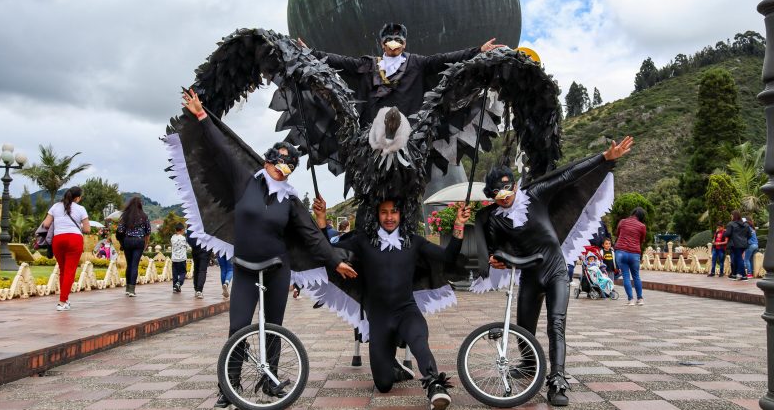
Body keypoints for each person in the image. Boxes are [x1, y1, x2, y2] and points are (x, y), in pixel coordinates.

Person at [182, 89, 356, 408]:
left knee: (273, 328)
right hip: (246, 269)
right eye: (278, 163)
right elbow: (222, 150)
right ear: (267, 160)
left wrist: (334, 262)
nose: (282, 169)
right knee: (238, 327)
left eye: (288, 166)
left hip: (277, 269)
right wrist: (201, 115)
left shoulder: (289, 199)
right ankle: (228, 386)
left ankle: (271, 381)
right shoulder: (245, 181)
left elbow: (312, 237)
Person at [479, 136, 633, 406]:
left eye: (506, 192)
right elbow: (494, 249)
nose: (503, 199)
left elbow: (568, 175)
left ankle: (558, 379)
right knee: (524, 327)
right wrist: (496, 260)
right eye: (496, 196)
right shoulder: (494, 220)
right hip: (529, 274)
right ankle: (528, 364)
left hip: (555, 271)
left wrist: (603, 158)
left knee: (556, 325)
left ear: (514, 186)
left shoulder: (534, 196)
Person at [314, 196, 470, 410]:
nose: (389, 217)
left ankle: (435, 385)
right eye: (384, 212)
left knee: (419, 343)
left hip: (407, 312)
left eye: (394, 211)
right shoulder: (363, 241)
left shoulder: (413, 241)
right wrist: (321, 219)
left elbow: (448, 257)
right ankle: (397, 369)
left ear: (401, 214)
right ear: (377, 215)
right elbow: (329, 252)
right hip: (379, 319)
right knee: (383, 384)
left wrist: (459, 225)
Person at [298, 23, 504, 126]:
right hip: (373, 131)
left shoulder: (417, 63)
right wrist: (311, 54)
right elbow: (339, 61)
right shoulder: (368, 65)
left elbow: (444, 58)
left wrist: (478, 50)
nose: (394, 43)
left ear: (404, 43)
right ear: (382, 43)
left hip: (410, 131)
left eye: (398, 40)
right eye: (389, 40)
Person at [42, 186, 90, 311]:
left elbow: (46, 224)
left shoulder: (55, 206)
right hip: (74, 240)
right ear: (77, 198)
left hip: (58, 240)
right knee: (70, 271)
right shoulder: (81, 209)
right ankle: (62, 301)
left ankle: (65, 299)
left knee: (63, 270)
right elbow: (87, 229)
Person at [116, 196, 151, 297]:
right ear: (140, 204)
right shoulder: (144, 216)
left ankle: (127, 288)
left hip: (128, 241)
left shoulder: (125, 215)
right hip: (139, 241)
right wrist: (146, 243)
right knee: (135, 265)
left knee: (129, 264)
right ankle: (132, 289)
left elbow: (120, 230)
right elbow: (148, 232)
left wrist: (122, 240)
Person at [615, 207, 647, 306]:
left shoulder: (622, 221)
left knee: (626, 276)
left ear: (632, 213)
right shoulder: (642, 226)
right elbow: (642, 240)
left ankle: (631, 300)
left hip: (621, 252)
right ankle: (640, 299)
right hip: (634, 253)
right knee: (636, 276)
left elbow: (618, 234)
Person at [725, 210, 751, 281]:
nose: (730, 216)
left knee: (739, 259)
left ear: (733, 216)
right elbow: (749, 235)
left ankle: (744, 276)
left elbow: (727, 234)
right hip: (743, 244)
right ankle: (734, 274)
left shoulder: (731, 224)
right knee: (736, 259)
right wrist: (744, 239)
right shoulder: (746, 224)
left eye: (731, 215)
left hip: (735, 244)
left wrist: (725, 232)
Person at [185, 229, 210, 298]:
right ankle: (199, 290)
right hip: (206, 249)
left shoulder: (192, 222)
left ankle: (196, 289)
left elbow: (188, 238)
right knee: (202, 270)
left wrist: (194, 245)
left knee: (196, 268)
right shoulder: (208, 223)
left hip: (195, 249)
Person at [170, 223, 188, 293]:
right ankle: (179, 283)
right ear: (182, 230)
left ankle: (175, 287)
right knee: (183, 272)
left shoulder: (172, 238)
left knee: (175, 273)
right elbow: (187, 246)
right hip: (182, 259)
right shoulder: (183, 238)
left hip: (174, 259)